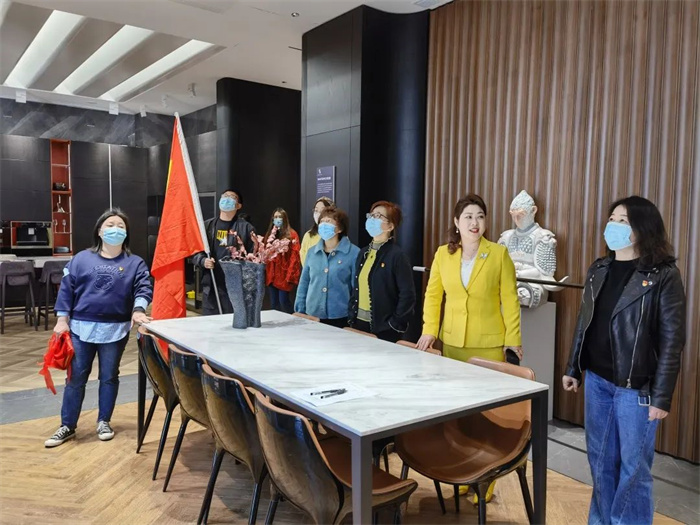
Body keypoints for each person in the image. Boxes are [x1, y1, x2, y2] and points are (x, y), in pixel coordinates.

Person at [563, 196, 686, 525]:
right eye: (612, 219)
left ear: (643, 228)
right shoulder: (599, 269)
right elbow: (585, 321)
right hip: (598, 381)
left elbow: (672, 341)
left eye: (623, 221)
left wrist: (662, 396)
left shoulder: (663, 275)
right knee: (601, 461)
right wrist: (574, 366)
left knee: (633, 470)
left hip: (637, 389)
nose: (614, 226)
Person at [416, 194, 522, 505]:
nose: (475, 223)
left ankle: (487, 477)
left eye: (480, 216)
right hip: (452, 344)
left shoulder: (498, 254)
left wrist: (513, 339)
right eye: (468, 217)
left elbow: (510, 300)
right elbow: (433, 295)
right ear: (456, 222)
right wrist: (429, 330)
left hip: (488, 345)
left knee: (487, 416)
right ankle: (463, 471)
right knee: (458, 414)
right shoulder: (443, 254)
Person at [45, 209, 153, 448]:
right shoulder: (81, 259)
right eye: (110, 225)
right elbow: (66, 289)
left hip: (115, 329)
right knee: (76, 378)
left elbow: (143, 289)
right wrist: (62, 320)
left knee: (109, 377)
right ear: (100, 231)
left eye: (121, 226)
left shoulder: (135, 263)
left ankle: (104, 421)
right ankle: (67, 425)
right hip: (80, 328)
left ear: (126, 233)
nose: (116, 229)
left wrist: (138, 310)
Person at [348, 201, 416, 342]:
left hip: (384, 329)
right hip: (358, 323)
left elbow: (407, 295)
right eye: (371, 215)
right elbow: (356, 288)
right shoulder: (363, 253)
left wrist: (394, 324)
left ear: (390, 226)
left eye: (378, 216)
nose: (372, 219)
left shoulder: (397, 256)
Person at [192, 189, 255, 315]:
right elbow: (195, 252)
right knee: (211, 323)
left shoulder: (246, 228)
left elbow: (253, 257)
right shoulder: (208, 226)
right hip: (212, 286)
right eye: (224, 196)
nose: (227, 199)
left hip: (236, 288)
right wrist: (203, 261)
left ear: (238, 205)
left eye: (231, 197)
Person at [294, 206, 359, 327]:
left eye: (328, 221)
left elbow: (356, 288)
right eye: (322, 221)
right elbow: (304, 282)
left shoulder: (353, 253)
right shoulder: (312, 252)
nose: (324, 225)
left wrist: (353, 314)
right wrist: (300, 309)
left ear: (340, 228)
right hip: (312, 313)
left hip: (340, 315)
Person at [265, 208, 301, 313]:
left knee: (283, 302)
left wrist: (290, 276)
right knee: (273, 304)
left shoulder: (292, 234)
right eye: (275, 217)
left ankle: (292, 319)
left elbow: (295, 256)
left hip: (284, 274)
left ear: (285, 218)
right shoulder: (270, 235)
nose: (277, 219)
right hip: (272, 274)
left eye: (280, 217)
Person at [300, 197, 334, 265]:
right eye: (316, 210)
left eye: (322, 210)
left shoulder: (335, 234)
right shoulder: (308, 235)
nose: (318, 214)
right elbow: (303, 257)